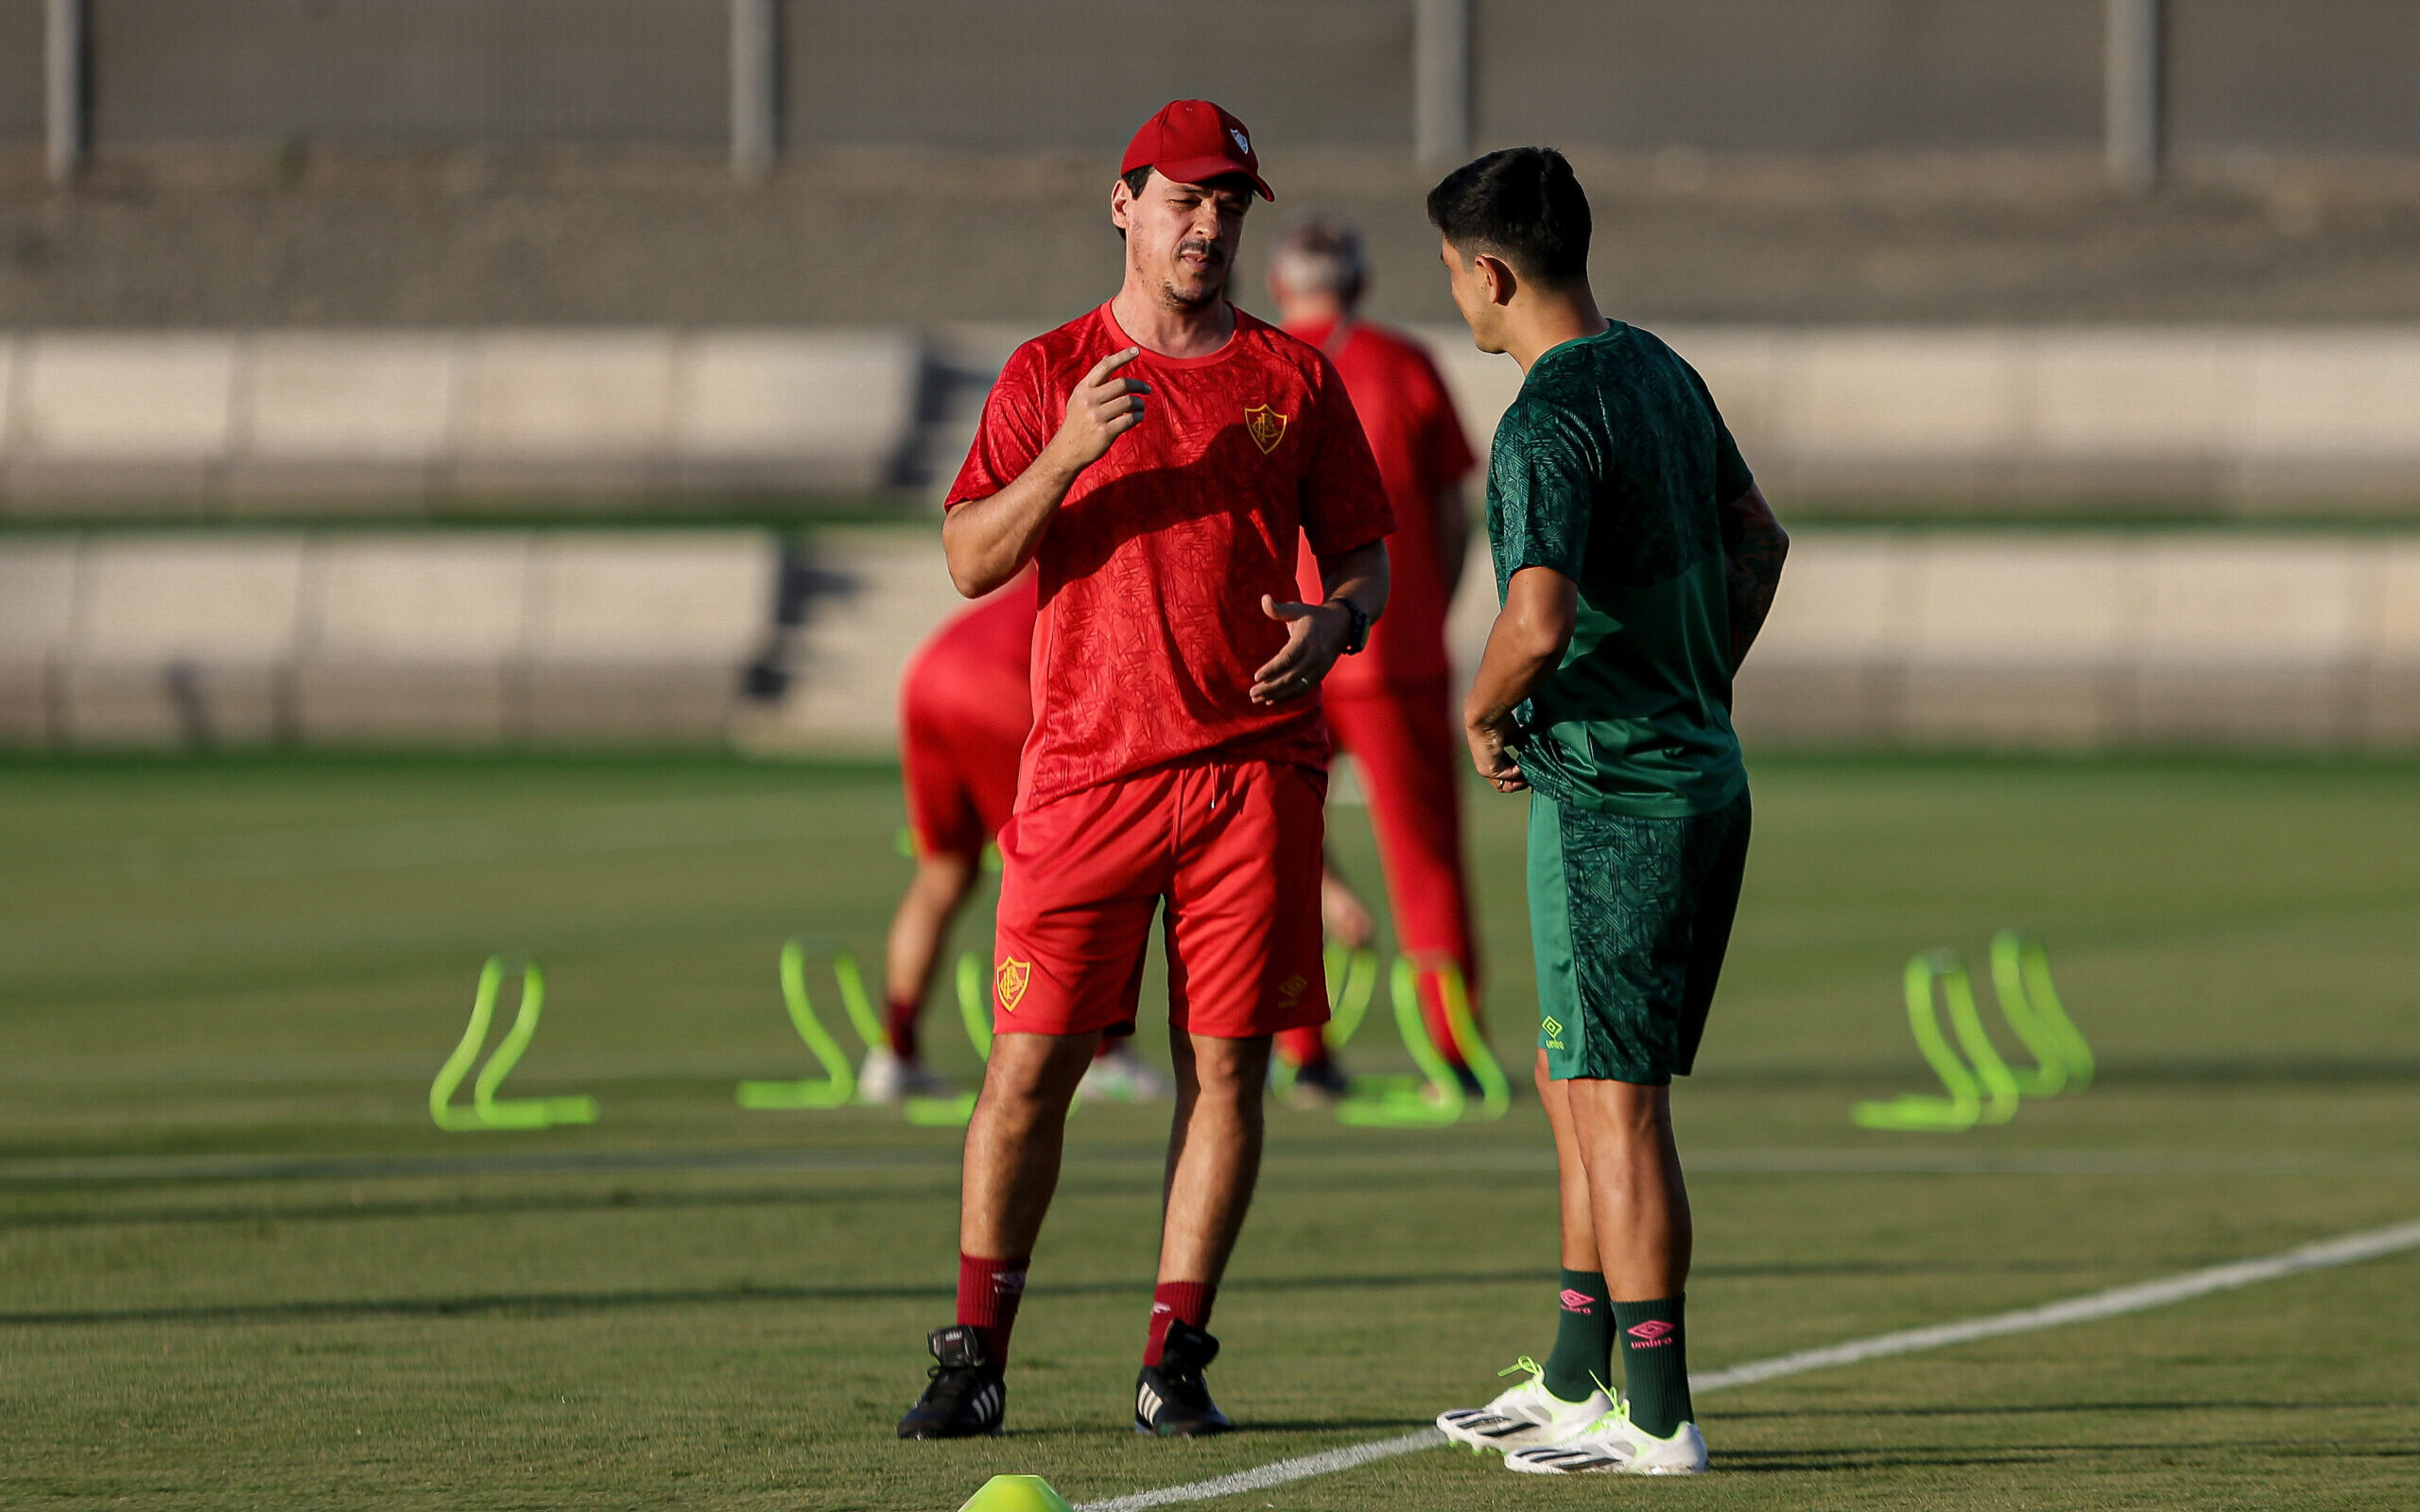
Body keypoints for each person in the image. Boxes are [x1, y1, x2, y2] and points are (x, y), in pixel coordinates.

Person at [896, 99, 1393, 1440]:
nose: (1211, 225)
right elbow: (968, 558)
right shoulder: (1050, 368)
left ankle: (1174, 1355)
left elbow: (1367, 557)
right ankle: (974, 1351)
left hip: (1252, 778)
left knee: (1225, 1074)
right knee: (1027, 1071)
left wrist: (1338, 622)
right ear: (1123, 204)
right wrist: (1069, 451)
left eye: (1231, 203)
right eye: (1185, 200)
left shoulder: (1293, 378)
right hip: (1085, 779)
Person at [1425, 148, 1789, 1475]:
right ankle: (1580, 1375)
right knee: (1570, 1070)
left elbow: (1535, 615)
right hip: (1692, 775)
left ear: (1493, 272)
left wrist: (1481, 711)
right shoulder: (1661, 370)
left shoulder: (1546, 414)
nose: (1454, 301)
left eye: (1452, 277)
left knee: (1619, 1100)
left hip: (1615, 800)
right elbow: (1761, 542)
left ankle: (1657, 1412)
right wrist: (1692, 674)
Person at [1265, 215, 1484, 1103]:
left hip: (1288, 649)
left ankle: (1299, 1050)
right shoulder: (1405, 365)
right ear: (1358, 283)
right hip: (1394, 648)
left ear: (1281, 285)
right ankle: (1453, 1050)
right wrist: (1428, 605)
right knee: (1425, 860)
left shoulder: (1260, 366)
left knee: (1279, 852)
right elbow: (1451, 517)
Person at [872, 571, 1167, 1107]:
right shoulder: (1116, 583)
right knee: (1082, 862)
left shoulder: (1048, 569)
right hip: (993, 685)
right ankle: (1103, 1056)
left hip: (928, 675)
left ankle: (895, 1053)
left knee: (943, 872)